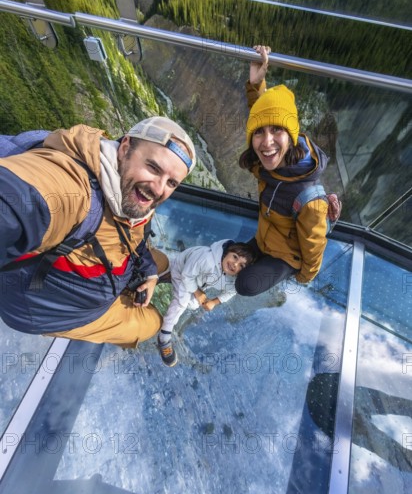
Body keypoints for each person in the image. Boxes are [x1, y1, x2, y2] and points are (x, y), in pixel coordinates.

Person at [0, 117, 196, 349]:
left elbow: (137, 238)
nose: (158, 188)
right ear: (125, 148)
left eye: (172, 183)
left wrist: (150, 273)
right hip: (51, 310)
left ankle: (151, 277)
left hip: (103, 269)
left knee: (161, 263)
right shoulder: (72, 190)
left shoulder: (131, 193)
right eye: (153, 167)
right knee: (152, 322)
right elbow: (22, 200)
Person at [235, 45, 339, 297]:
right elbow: (262, 114)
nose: (267, 142)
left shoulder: (309, 198)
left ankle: (280, 270)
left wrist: (305, 277)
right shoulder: (269, 162)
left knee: (244, 284)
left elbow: (314, 244)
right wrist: (255, 84)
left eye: (277, 131)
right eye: (259, 133)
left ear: (291, 135)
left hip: (286, 257)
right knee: (225, 257)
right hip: (264, 238)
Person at [158, 239, 256, 366]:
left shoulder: (232, 278)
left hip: (198, 281)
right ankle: (164, 338)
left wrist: (214, 302)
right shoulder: (207, 259)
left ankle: (175, 285)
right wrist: (198, 293)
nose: (235, 264)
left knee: (193, 305)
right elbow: (187, 276)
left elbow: (232, 291)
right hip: (182, 271)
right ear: (226, 252)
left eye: (241, 265)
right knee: (181, 302)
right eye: (235, 257)